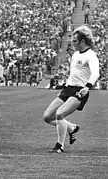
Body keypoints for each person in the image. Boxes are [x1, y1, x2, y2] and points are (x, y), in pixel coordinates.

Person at [42, 25, 100, 153]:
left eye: (75, 41)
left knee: (60, 114)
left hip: (80, 91)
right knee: (47, 116)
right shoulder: (75, 54)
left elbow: (96, 73)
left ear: (82, 42)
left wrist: (87, 87)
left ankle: (59, 146)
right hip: (68, 89)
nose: (72, 43)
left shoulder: (91, 55)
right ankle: (72, 128)